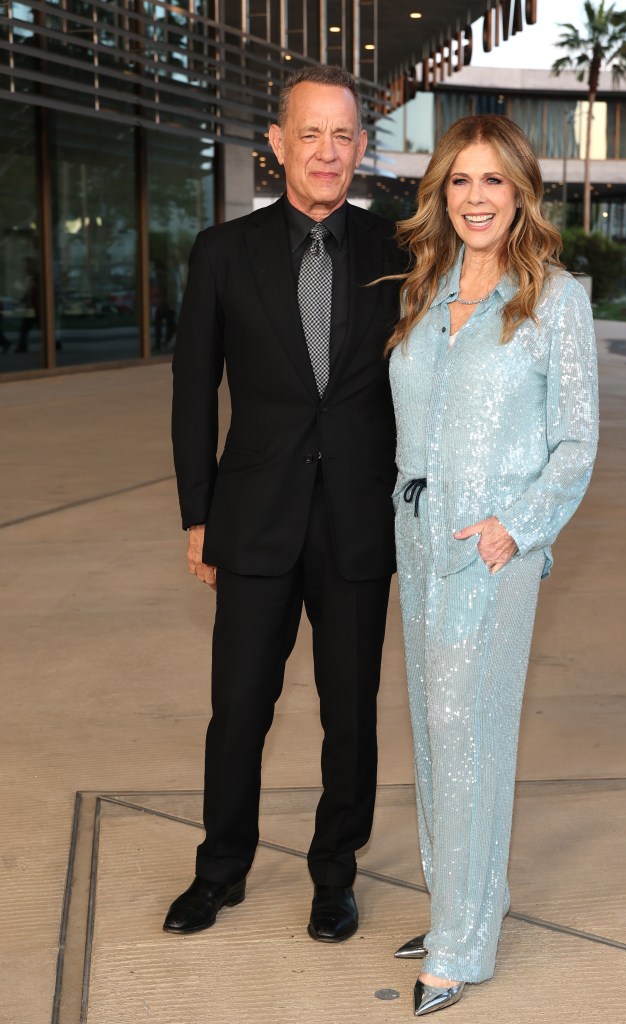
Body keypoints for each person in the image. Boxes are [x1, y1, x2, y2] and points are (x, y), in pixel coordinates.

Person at [165, 65, 404, 942]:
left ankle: (333, 876)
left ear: (361, 149)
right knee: (238, 710)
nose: (327, 152)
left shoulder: (399, 250)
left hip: (357, 524)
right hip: (254, 521)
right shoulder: (221, 252)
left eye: (343, 135)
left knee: (350, 718)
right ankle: (219, 871)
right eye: (310, 133)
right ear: (276, 145)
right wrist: (199, 516)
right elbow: (195, 393)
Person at [387, 115, 598, 1016]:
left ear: (520, 194)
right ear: (441, 192)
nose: (474, 198)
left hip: (493, 547)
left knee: (467, 733)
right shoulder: (426, 290)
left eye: (492, 182)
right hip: (417, 533)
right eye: (459, 181)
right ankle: (459, 904)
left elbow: (575, 442)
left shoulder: (555, 298)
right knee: (435, 737)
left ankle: (461, 941)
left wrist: (517, 528)